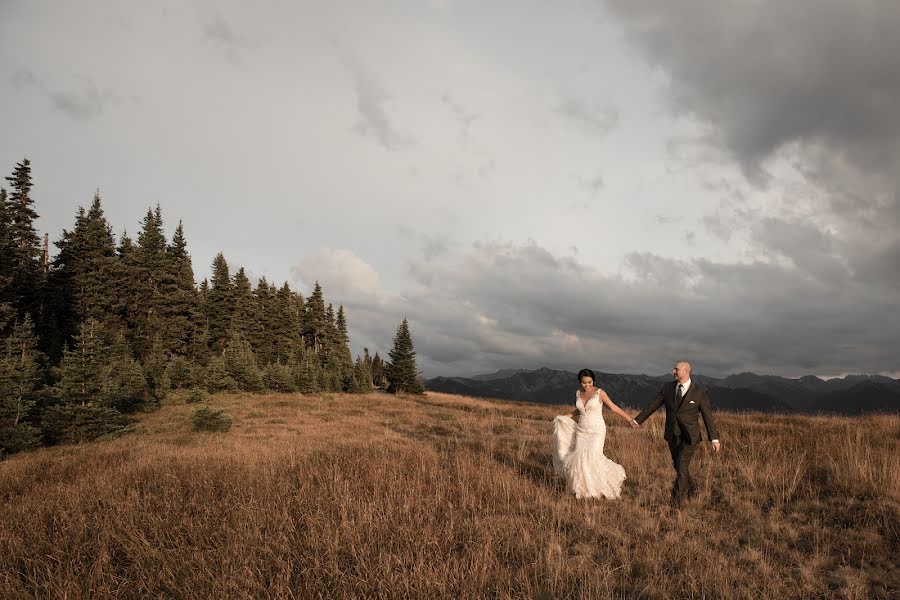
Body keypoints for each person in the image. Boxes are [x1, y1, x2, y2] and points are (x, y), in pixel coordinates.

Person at [633, 361, 720, 506]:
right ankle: (692, 489)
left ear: (686, 371)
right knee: (679, 467)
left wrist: (714, 438)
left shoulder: (700, 391)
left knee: (681, 466)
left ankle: (675, 504)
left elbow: (707, 416)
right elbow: (653, 405)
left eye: (676, 369)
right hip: (672, 435)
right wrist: (638, 420)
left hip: (690, 437)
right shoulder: (667, 388)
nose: (673, 371)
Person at [551, 368, 639, 499]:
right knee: (581, 458)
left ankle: (600, 487)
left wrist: (630, 420)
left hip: (597, 430)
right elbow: (578, 410)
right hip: (582, 430)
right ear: (580, 382)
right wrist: (564, 417)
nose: (587, 385)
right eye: (584, 383)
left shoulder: (599, 393)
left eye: (589, 382)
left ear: (593, 380)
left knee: (594, 456)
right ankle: (584, 490)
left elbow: (613, 407)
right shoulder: (578, 393)